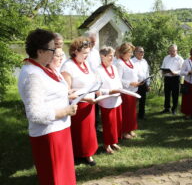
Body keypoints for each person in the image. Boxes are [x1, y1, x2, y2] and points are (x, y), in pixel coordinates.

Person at [18, 28, 77, 184]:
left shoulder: (44, 67)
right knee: (55, 178)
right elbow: (35, 114)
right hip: (49, 135)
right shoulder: (33, 75)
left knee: (64, 177)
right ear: (40, 51)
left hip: (59, 130)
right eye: (52, 49)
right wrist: (65, 110)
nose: (56, 52)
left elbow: (50, 94)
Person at [61, 37, 98, 166]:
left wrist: (97, 89)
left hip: (90, 103)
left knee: (89, 131)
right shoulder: (68, 66)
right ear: (75, 51)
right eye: (84, 53)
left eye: (88, 53)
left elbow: (92, 80)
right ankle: (77, 154)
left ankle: (88, 154)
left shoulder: (85, 63)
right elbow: (67, 92)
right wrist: (85, 97)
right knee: (79, 132)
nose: (87, 56)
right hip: (78, 105)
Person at [95, 46, 123, 154]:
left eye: (113, 55)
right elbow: (97, 89)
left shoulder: (114, 67)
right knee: (108, 124)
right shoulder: (98, 70)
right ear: (103, 56)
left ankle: (113, 142)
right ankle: (107, 145)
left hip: (117, 99)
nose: (113, 58)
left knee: (115, 123)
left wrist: (120, 90)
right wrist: (110, 92)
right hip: (106, 101)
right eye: (110, 56)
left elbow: (118, 81)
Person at [116, 43, 140, 139]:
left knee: (132, 112)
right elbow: (118, 79)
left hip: (133, 91)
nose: (131, 54)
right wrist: (130, 83)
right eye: (129, 52)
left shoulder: (130, 61)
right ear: (123, 52)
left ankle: (130, 129)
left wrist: (138, 82)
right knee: (126, 112)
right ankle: (124, 131)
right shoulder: (119, 63)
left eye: (131, 52)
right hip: (125, 92)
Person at [160, 44, 184, 115]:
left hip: (175, 78)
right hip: (167, 78)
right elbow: (162, 67)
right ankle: (167, 108)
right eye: (170, 50)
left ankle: (174, 109)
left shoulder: (180, 59)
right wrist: (163, 72)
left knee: (175, 95)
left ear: (176, 51)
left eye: (173, 51)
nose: (171, 52)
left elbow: (182, 70)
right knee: (167, 94)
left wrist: (175, 73)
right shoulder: (166, 58)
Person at [132, 46, 150, 119]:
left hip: (144, 83)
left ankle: (141, 115)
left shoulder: (144, 61)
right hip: (135, 84)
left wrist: (148, 84)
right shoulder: (132, 61)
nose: (142, 53)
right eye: (140, 51)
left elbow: (147, 73)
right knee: (134, 101)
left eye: (143, 51)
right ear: (135, 52)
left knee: (143, 100)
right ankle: (133, 116)